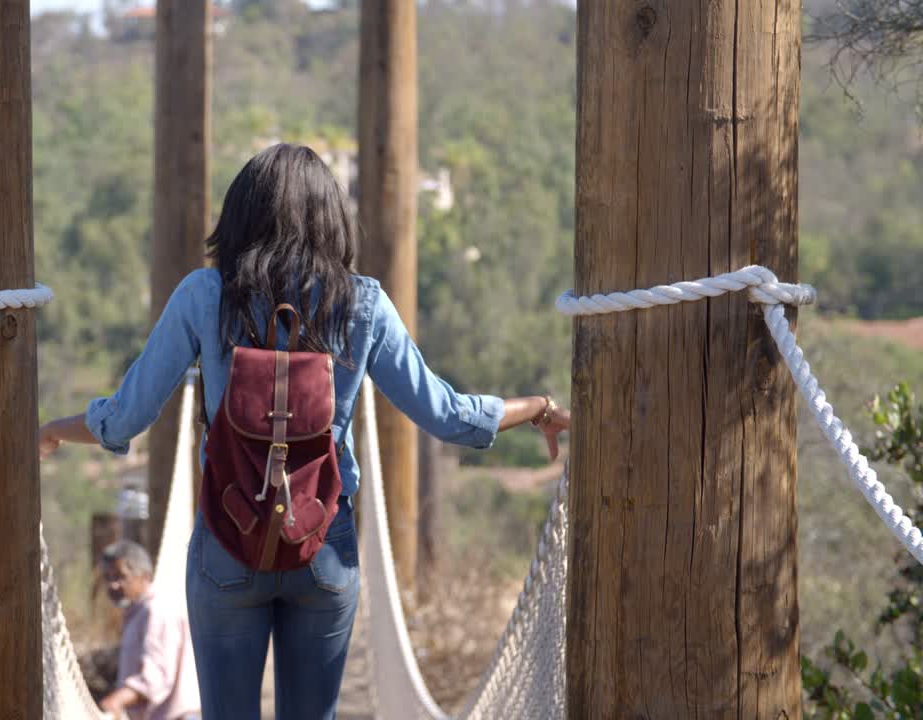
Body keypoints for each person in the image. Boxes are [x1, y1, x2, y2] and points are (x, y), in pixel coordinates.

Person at [38, 143, 571, 720]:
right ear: (332, 220)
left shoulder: (204, 295)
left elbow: (126, 417)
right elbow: (447, 414)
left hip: (228, 540)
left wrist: (55, 430)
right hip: (324, 549)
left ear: (239, 213)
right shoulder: (362, 304)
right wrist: (540, 407)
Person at [95, 540, 201, 720]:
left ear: (145, 576)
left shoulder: (156, 611)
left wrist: (117, 700)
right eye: (108, 577)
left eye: (121, 576)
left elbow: (157, 674)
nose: (113, 585)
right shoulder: (138, 612)